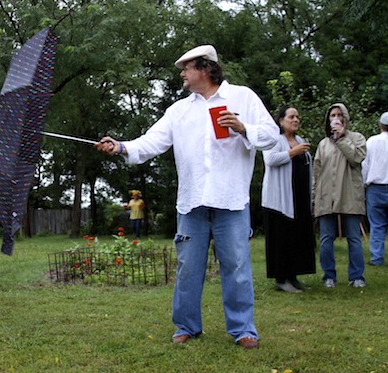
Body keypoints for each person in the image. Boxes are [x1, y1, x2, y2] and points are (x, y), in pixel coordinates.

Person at [95, 45, 278, 349]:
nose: (181, 73)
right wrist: (122, 147)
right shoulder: (179, 110)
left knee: (237, 268)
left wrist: (244, 127)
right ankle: (187, 326)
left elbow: (271, 135)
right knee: (188, 270)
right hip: (191, 203)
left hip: (231, 201)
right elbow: (151, 141)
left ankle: (243, 329)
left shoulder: (243, 97)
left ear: (206, 68)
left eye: (186, 67)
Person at [261, 106, 316, 293]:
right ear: (281, 121)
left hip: (299, 198)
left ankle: (294, 276)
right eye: (291, 117)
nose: (295, 120)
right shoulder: (274, 139)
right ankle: (281, 278)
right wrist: (293, 152)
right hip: (279, 199)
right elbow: (270, 159)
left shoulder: (300, 140)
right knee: (282, 238)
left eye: (297, 117)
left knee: (297, 237)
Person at [313, 102, 366, 288]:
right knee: (326, 238)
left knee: (353, 237)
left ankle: (357, 276)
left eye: (339, 114)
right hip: (326, 196)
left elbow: (356, 158)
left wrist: (342, 138)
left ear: (345, 117)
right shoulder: (323, 144)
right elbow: (316, 173)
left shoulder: (357, 138)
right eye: (332, 115)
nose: (336, 118)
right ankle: (329, 276)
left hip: (350, 195)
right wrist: (314, 199)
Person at [362, 112, 388, 266]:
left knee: (377, 224)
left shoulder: (371, 141)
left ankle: (377, 258)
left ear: (380, 125)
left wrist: (364, 183)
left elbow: (365, 165)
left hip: (376, 188)